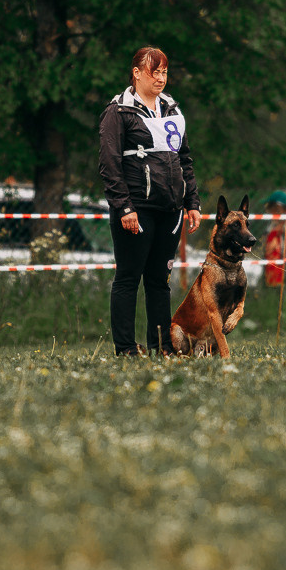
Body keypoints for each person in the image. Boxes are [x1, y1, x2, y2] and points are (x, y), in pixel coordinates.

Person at [98, 47, 202, 356]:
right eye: (154, 72)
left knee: (160, 280)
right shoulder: (119, 111)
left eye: (164, 73)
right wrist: (124, 207)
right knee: (128, 278)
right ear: (137, 73)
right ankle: (126, 348)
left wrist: (192, 201)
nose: (160, 78)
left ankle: (161, 347)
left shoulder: (171, 108)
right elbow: (109, 164)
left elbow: (184, 159)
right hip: (136, 209)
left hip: (169, 209)